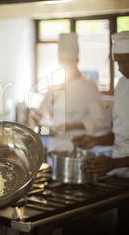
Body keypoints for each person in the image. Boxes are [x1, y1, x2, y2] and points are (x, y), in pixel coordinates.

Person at [30, 33, 111, 161]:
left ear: (77, 61)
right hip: (55, 152)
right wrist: (35, 117)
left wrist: (72, 125)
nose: (64, 66)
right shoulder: (53, 87)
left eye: (68, 62)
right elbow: (41, 114)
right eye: (62, 63)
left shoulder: (89, 88)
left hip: (79, 152)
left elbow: (103, 123)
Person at [72, 31, 129, 177]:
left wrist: (115, 163)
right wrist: (96, 140)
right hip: (120, 173)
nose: (120, 69)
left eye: (124, 62)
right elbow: (121, 135)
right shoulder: (122, 84)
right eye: (117, 62)